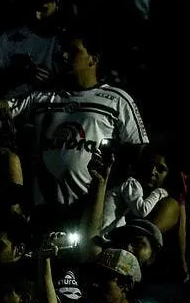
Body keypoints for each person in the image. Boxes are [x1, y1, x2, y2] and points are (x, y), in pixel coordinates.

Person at [12, 29, 147, 220]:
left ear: (93, 59)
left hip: (92, 211)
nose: (64, 56)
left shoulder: (118, 99)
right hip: (44, 210)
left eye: (73, 51)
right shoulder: (41, 97)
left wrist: (106, 186)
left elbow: (137, 147)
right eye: (63, 51)